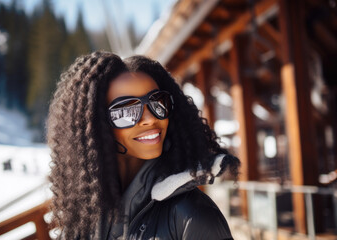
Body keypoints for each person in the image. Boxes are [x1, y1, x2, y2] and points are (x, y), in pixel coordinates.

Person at [47, 51, 240, 240]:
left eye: (158, 103)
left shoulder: (193, 216)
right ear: (95, 125)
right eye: (126, 111)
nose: (150, 119)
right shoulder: (86, 215)